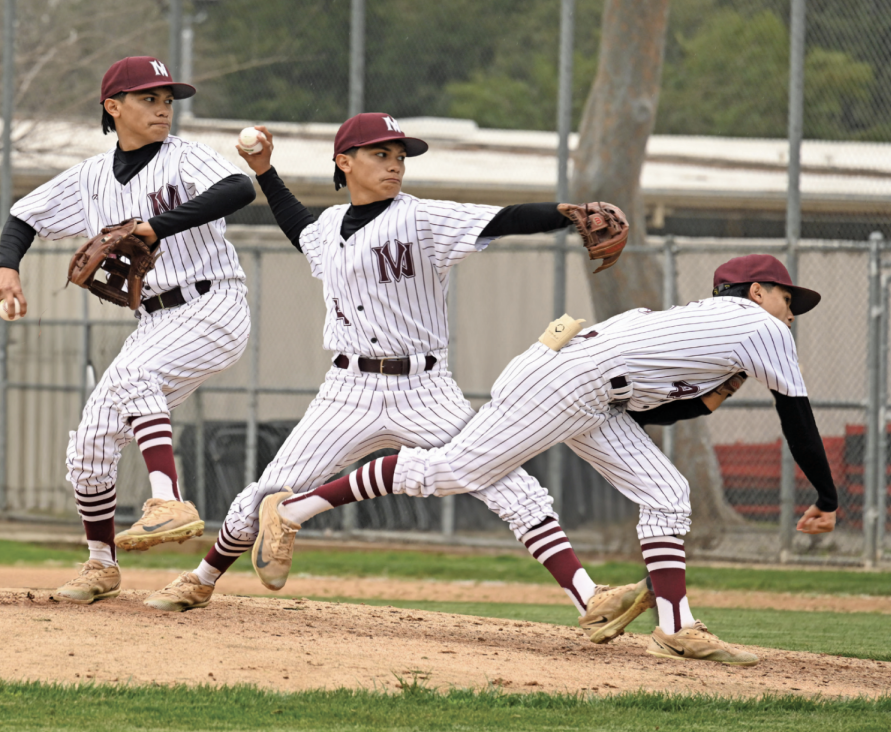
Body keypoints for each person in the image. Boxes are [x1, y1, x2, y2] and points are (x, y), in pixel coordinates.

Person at [144, 114, 648, 639]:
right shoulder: (329, 228)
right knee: (270, 489)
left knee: (507, 483)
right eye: (380, 155)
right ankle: (201, 579)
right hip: (347, 389)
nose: (394, 165)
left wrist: (565, 213)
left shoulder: (422, 219)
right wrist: (266, 172)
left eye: (400, 157)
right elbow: (298, 228)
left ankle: (590, 598)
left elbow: (503, 218)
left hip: (425, 390)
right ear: (345, 162)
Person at [252, 253, 839, 666]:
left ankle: (676, 626)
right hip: (569, 381)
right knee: (448, 471)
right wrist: (828, 497)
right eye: (789, 300)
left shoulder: (700, 328)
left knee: (667, 494)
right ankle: (294, 511)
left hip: (587, 387)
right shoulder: (760, 327)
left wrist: (704, 401)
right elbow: (798, 418)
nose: (792, 313)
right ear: (758, 293)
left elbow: (644, 413)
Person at [0, 56, 256, 603]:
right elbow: (23, 216)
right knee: (88, 446)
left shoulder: (184, 158)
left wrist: (152, 227)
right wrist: (6, 268)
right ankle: (100, 566)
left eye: (166, 99)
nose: (162, 108)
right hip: (156, 319)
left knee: (136, 374)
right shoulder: (90, 177)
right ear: (113, 107)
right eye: (147, 98)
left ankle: (168, 501)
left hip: (213, 303)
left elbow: (238, 190)